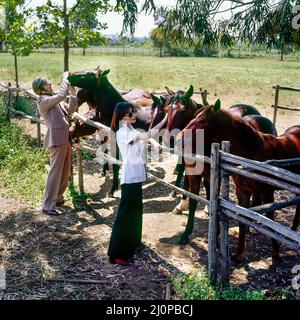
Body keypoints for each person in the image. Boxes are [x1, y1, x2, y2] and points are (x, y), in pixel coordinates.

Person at [107, 102, 168, 265]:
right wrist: (164, 120)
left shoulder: (130, 130)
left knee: (135, 212)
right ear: (122, 116)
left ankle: (132, 244)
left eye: (133, 112)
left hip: (136, 177)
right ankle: (117, 253)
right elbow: (148, 135)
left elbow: (147, 137)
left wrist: (164, 121)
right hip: (129, 178)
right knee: (125, 215)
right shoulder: (122, 132)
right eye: (130, 113)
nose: (134, 115)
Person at [32, 73, 78, 216]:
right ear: (42, 88)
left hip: (65, 139)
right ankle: (48, 205)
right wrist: (65, 80)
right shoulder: (42, 100)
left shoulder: (53, 101)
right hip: (57, 140)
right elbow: (61, 96)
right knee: (55, 172)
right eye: (48, 83)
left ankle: (58, 198)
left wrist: (73, 94)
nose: (51, 84)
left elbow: (70, 111)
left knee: (64, 170)